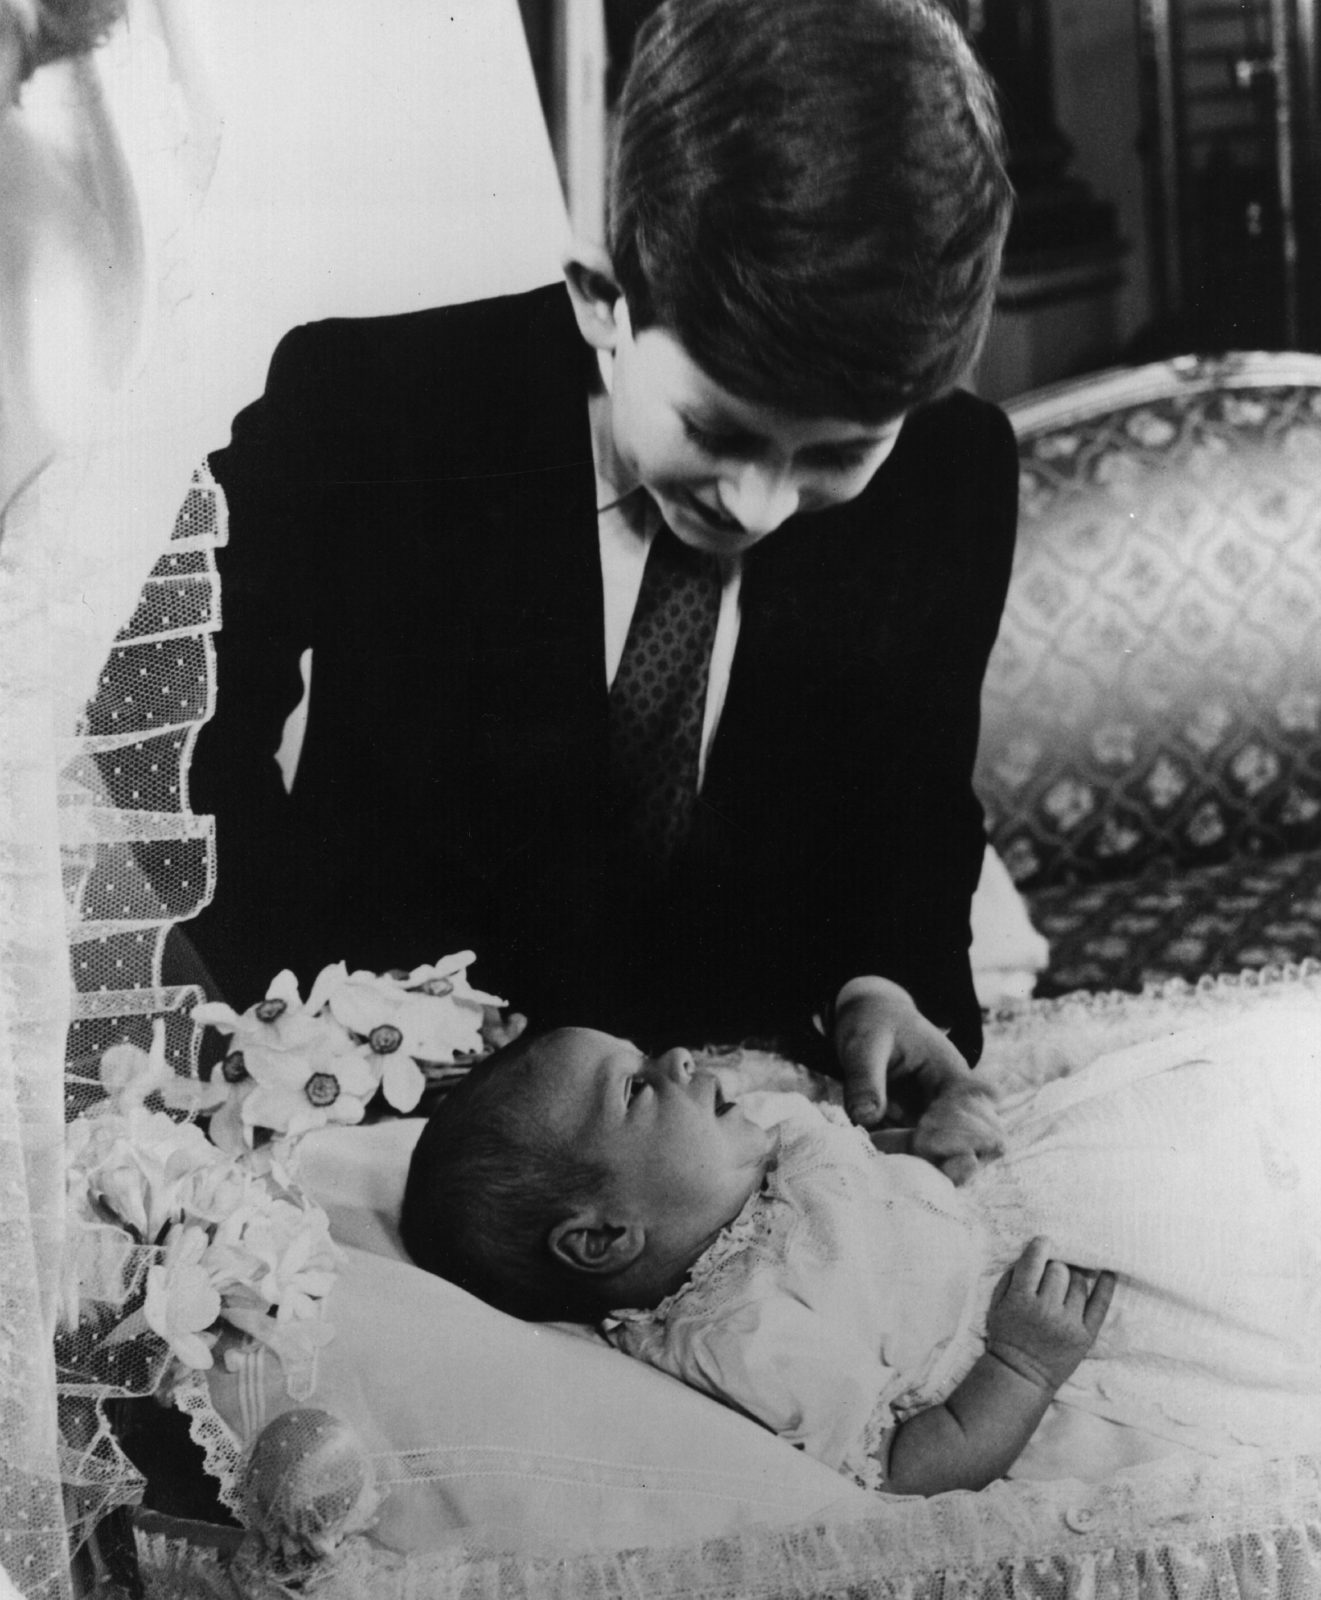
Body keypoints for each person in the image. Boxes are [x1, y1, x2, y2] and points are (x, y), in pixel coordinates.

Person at [184, 0, 1016, 1144]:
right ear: (602, 299)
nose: (756, 505)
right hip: (384, 1111)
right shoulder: (371, 409)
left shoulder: (951, 475)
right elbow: (184, 717)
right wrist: (305, 1009)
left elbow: (913, 805)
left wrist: (880, 982)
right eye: (715, 430)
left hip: (727, 1117)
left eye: (835, 454)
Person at [400, 1011, 1321, 1496]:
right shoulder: (747, 1333)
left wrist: (926, 1143)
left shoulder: (746, 1156)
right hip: (1025, 1314)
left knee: (1227, 1120)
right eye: (637, 1087)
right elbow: (903, 1469)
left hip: (1008, 1199)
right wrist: (1021, 1364)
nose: (679, 1057)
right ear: (602, 1237)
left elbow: (852, 1172)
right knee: (1234, 1253)